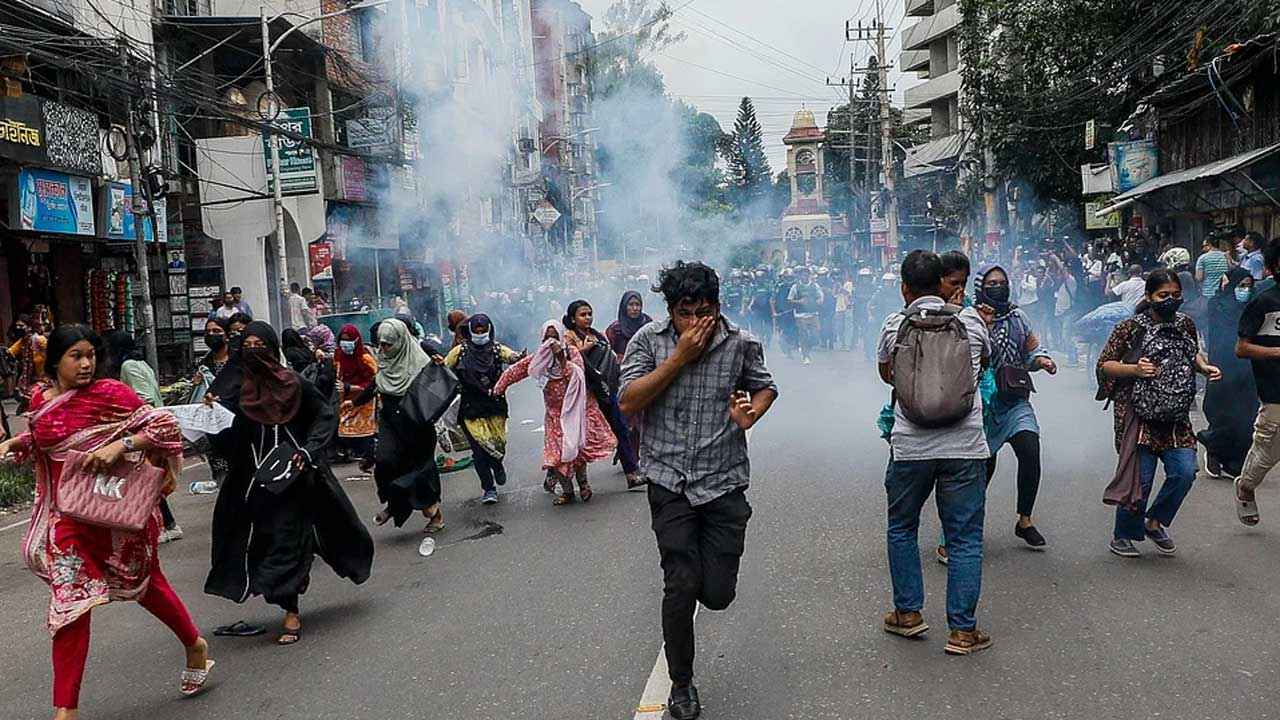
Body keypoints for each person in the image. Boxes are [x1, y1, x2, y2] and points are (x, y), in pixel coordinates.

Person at [0, 325, 213, 717]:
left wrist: (123, 444)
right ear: (55, 361)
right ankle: (66, 710)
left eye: (90, 355)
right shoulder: (40, 399)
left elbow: (163, 426)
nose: (85, 364)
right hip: (66, 520)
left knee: (146, 587)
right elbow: (47, 441)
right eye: (75, 356)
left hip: (116, 517)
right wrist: (20, 443)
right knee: (71, 604)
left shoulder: (111, 394)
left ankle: (194, 644)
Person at [618, 261, 777, 720]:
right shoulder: (648, 343)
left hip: (724, 481)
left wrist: (752, 412)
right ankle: (682, 685)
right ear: (670, 311)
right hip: (669, 481)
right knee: (680, 583)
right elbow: (628, 400)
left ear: (717, 306)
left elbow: (765, 389)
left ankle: (710, 595)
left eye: (703, 312)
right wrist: (679, 357)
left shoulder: (740, 344)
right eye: (685, 313)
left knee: (718, 593)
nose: (695, 323)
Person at [203, 321, 374, 644]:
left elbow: (324, 416)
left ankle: (290, 610)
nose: (254, 351)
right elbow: (228, 442)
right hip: (257, 484)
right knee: (265, 542)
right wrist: (214, 416)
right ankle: (283, 592)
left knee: (288, 541)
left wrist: (308, 451)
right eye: (248, 346)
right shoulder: (238, 392)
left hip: (297, 480)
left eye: (260, 345)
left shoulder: (293, 383)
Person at [877, 250, 993, 656]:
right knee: (964, 539)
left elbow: (887, 373)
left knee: (902, 527)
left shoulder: (895, 324)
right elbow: (984, 365)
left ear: (905, 289)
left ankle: (907, 614)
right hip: (965, 446)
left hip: (910, 446)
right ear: (943, 283)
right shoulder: (971, 320)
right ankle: (963, 631)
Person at [936, 265, 1055, 565]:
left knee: (1030, 448)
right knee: (980, 474)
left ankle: (1024, 519)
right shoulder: (968, 317)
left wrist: (1042, 361)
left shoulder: (1018, 317)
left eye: (1002, 283)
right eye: (992, 283)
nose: (999, 287)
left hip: (1014, 401)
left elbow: (1031, 351)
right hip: (982, 406)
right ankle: (953, 535)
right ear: (980, 287)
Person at [1098, 270, 1221, 557]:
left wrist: (1203, 367)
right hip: (1139, 414)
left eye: (1176, 295)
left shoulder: (1185, 324)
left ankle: (1154, 522)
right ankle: (1124, 535)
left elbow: (1193, 353)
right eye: (1163, 295)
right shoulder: (1130, 328)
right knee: (1140, 480)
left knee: (1185, 472)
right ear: (1149, 297)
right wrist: (1135, 370)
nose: (1170, 300)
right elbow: (1106, 364)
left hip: (1176, 416)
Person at [494, 320, 617, 504]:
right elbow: (517, 370)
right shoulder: (539, 358)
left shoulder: (572, 353)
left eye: (554, 337)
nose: (551, 341)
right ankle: (567, 492)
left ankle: (584, 485)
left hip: (575, 412)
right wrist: (499, 388)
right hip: (554, 415)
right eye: (547, 337)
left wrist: (560, 357)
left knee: (576, 451)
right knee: (557, 455)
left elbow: (575, 374)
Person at [103, 330, 184, 544]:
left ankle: (168, 525)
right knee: (148, 479)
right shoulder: (141, 363)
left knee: (146, 479)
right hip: (154, 427)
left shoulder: (127, 366)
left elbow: (144, 397)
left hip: (146, 430)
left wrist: (123, 411)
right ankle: (163, 524)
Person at [368, 319, 445, 541]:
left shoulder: (421, 363)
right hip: (391, 421)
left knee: (418, 470)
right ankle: (395, 505)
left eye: (387, 345)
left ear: (401, 342)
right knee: (384, 462)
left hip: (416, 425)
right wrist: (354, 403)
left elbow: (437, 395)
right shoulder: (384, 361)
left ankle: (435, 514)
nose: (382, 350)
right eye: (380, 344)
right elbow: (375, 384)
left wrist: (438, 368)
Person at [563, 299, 643, 488]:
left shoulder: (596, 335)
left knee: (620, 427)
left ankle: (631, 474)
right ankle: (556, 473)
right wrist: (586, 349)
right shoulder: (568, 337)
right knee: (576, 437)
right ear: (573, 319)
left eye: (589, 314)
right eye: (583, 315)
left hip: (604, 389)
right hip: (582, 395)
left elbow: (610, 355)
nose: (588, 318)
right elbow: (567, 360)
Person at [444, 314, 521, 504]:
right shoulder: (459, 352)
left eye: (483, 331)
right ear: (469, 331)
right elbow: (444, 367)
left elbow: (511, 357)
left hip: (495, 404)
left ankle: (498, 465)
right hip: (470, 407)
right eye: (476, 331)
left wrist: (520, 358)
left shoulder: (496, 349)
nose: (480, 334)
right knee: (479, 451)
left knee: (497, 445)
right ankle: (488, 488)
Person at [1233, 239, 1280, 525]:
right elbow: (1241, 348)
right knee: (1267, 451)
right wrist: (1276, 352)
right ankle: (1246, 486)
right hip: (1275, 391)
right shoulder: (1263, 302)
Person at [1197, 268, 1258, 479]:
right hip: (1223, 367)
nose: (1245, 290)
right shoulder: (1218, 304)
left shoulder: (1254, 306)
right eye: (1241, 285)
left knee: (1247, 417)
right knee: (1224, 414)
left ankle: (1235, 461)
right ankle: (1213, 448)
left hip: (1249, 368)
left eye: (1249, 286)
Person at [188, 318, 232, 495]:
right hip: (213, 427)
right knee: (221, 472)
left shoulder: (237, 360)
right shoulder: (204, 363)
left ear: (226, 335)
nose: (212, 335)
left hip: (235, 423)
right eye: (208, 332)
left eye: (216, 331)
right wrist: (196, 384)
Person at [335, 324, 378, 469]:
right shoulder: (339, 356)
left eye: (348, 339)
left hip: (363, 401)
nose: (344, 343)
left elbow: (375, 381)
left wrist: (351, 387)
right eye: (342, 339)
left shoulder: (365, 358)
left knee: (365, 433)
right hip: (345, 400)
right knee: (345, 430)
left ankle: (369, 457)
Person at [788, 266, 823, 364]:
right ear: (800, 276)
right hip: (800, 315)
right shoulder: (795, 287)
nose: (805, 276)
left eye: (807, 274)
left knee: (815, 336)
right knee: (803, 335)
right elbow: (790, 300)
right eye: (803, 274)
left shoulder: (815, 286)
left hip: (813, 314)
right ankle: (806, 356)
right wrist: (799, 301)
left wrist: (819, 301)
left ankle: (807, 347)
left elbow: (820, 296)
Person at [605, 290, 653, 361]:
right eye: (631, 305)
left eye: (637, 304)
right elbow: (608, 352)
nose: (635, 308)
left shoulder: (648, 324)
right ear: (624, 306)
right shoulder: (615, 329)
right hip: (623, 367)